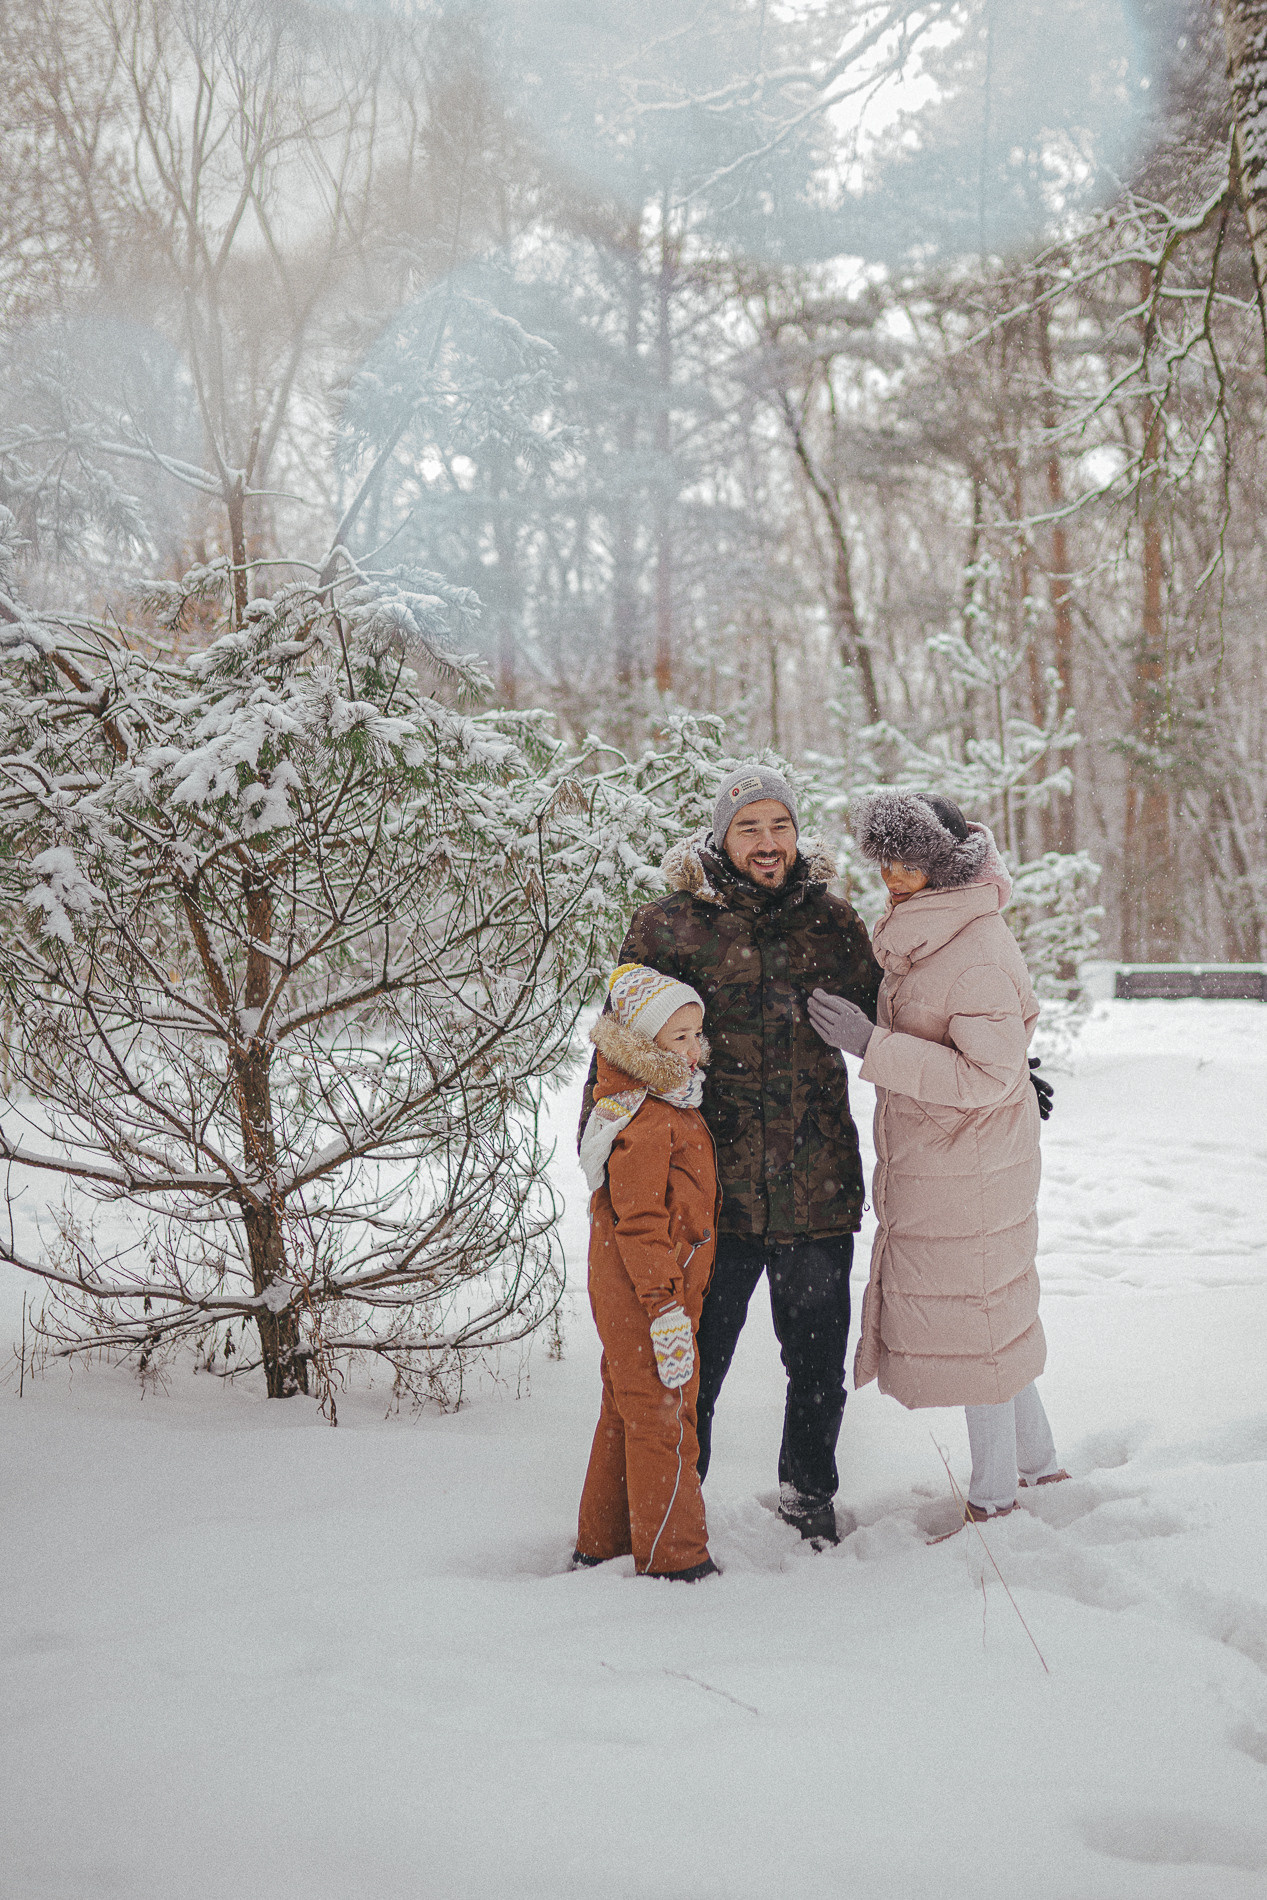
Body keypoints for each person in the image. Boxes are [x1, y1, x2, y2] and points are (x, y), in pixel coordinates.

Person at [580, 765, 883, 1547]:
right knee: (692, 1366)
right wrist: (604, 1148)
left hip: (816, 1185)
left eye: (779, 825)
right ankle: (676, 1509)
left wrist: (991, 1059)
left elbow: (899, 1012)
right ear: (722, 837)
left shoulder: (833, 923)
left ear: (796, 834)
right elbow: (619, 1045)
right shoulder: (668, 926)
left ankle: (808, 1497)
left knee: (816, 1367)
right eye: (748, 827)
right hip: (708, 1192)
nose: (766, 842)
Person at [808, 790, 1069, 1523]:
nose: (893, 877)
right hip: (954, 1160)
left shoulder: (971, 947)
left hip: (969, 1169)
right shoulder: (929, 930)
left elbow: (987, 1075)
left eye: (910, 864)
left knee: (974, 1332)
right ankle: (1038, 1465)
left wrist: (871, 1044)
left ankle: (993, 1500)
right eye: (885, 862)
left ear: (945, 866)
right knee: (985, 1319)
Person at [573, 963, 722, 1580]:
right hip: (646, 1292)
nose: (691, 1049)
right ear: (642, 1041)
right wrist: (663, 1307)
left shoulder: (658, 1100)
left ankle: (602, 1541)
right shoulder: (648, 1118)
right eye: (676, 1037)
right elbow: (638, 1222)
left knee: (626, 1406)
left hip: (639, 1287)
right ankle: (675, 1560)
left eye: (696, 1035)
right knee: (665, 1413)